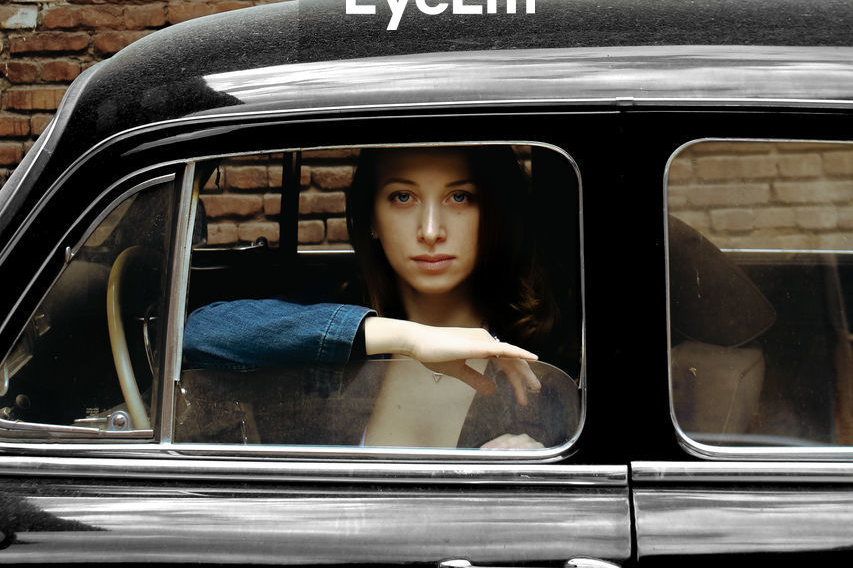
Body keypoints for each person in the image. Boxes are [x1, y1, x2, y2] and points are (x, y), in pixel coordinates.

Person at [183, 145, 578, 449]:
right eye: (402, 197)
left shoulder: (548, 348)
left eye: (459, 197)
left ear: (495, 213)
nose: (430, 230)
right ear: (371, 217)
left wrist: (535, 462)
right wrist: (407, 338)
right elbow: (195, 336)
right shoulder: (337, 324)